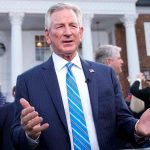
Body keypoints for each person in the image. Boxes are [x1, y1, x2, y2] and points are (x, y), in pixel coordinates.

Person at [11, 3, 150, 150]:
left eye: (73, 25)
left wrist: (137, 128)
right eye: (59, 26)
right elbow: (16, 136)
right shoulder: (28, 81)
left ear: (81, 33)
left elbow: (122, 120)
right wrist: (30, 135)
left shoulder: (105, 75)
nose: (68, 32)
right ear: (47, 35)